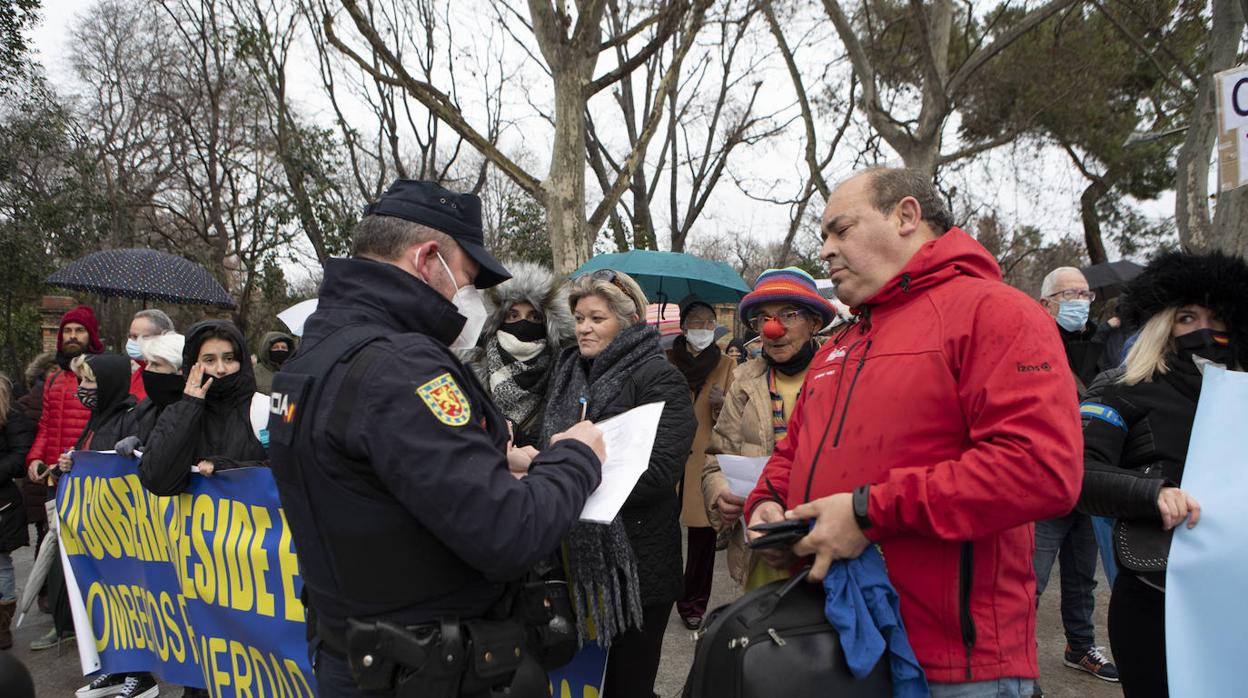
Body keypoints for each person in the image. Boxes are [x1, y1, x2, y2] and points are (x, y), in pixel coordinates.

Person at [743, 168, 1083, 697]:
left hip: (954, 667)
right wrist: (765, 505)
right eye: (824, 237)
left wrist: (866, 512)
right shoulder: (841, 344)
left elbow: (1041, 470)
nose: (827, 250)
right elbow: (793, 454)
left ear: (906, 216)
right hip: (839, 643)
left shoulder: (996, 312)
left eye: (841, 229)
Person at [267, 180, 606, 698]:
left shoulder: (317, 351)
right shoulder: (403, 366)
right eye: (467, 282)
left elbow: (372, 478)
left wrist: (493, 461)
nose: (467, 300)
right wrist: (576, 458)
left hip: (356, 653)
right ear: (428, 259)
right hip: (427, 668)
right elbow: (509, 535)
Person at [1077, 250, 1247, 698]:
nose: (1204, 330)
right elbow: (1076, 473)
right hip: (1158, 594)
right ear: (1162, 323)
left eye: (1216, 317)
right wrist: (1152, 493)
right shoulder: (1122, 386)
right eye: (1187, 317)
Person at [541, 269, 696, 698]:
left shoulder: (658, 378)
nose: (584, 328)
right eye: (579, 318)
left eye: (597, 318)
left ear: (627, 321)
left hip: (637, 572)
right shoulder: (567, 372)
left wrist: (569, 474)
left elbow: (661, 470)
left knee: (627, 686)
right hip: (570, 562)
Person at [701, 267, 838, 592]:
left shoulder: (842, 377)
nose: (773, 329)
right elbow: (715, 461)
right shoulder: (743, 384)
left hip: (829, 552)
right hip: (762, 555)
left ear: (814, 322)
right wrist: (720, 493)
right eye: (763, 319)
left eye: (788, 315)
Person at [1032, 266, 1119, 683]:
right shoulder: (1030, 343)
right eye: (1070, 294)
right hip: (1045, 480)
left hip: (1091, 478)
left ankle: (1080, 647)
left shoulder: (1102, 344)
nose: (1080, 303)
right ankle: (1017, 658)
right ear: (1046, 302)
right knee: (1030, 578)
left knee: (1084, 576)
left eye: (1086, 295)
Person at [25, 303, 103, 651]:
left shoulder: (97, 374)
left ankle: (91, 622)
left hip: (85, 479)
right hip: (55, 481)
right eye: (68, 331)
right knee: (54, 552)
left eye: (79, 331)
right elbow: (45, 426)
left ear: (91, 336)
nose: (72, 337)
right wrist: (36, 457)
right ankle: (63, 624)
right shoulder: (54, 379)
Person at [666, 297, 735, 630]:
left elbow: (736, 420)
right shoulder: (666, 361)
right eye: (696, 321)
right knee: (662, 531)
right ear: (683, 325)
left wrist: (722, 405)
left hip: (704, 460)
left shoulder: (726, 365)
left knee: (702, 538)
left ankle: (693, 604)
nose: (703, 328)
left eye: (709, 321)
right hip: (668, 457)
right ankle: (663, 592)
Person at [138, 321, 267, 497]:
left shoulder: (264, 409)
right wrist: (189, 406)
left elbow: (288, 472)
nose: (221, 369)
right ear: (193, 364)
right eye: (209, 360)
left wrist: (226, 468)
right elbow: (158, 481)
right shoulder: (176, 412)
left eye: (229, 359)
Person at [462, 260, 573, 448]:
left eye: (534, 317)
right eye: (513, 316)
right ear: (498, 319)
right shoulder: (471, 368)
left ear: (547, 323)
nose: (523, 324)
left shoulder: (564, 371)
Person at [0, 374, 34, 649]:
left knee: (0, 564)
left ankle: (1, 624)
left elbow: (20, 455)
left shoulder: (10, 414)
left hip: (2, 501)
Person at [125, 309, 175, 402]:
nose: (130, 341)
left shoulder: (171, 377)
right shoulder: (138, 372)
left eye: (136, 337)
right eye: (130, 336)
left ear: (162, 337)